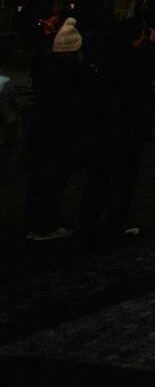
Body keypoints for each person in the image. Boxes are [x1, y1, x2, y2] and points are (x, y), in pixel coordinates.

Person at [80, 13, 155, 244]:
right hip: (129, 131)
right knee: (123, 180)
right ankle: (113, 226)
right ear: (138, 36)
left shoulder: (104, 57)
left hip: (101, 127)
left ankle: (87, 224)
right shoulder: (137, 61)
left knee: (97, 177)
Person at [24, 18, 89, 242]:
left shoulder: (44, 67)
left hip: (40, 131)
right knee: (53, 181)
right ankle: (46, 225)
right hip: (60, 135)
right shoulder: (75, 73)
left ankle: (35, 224)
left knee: (39, 181)